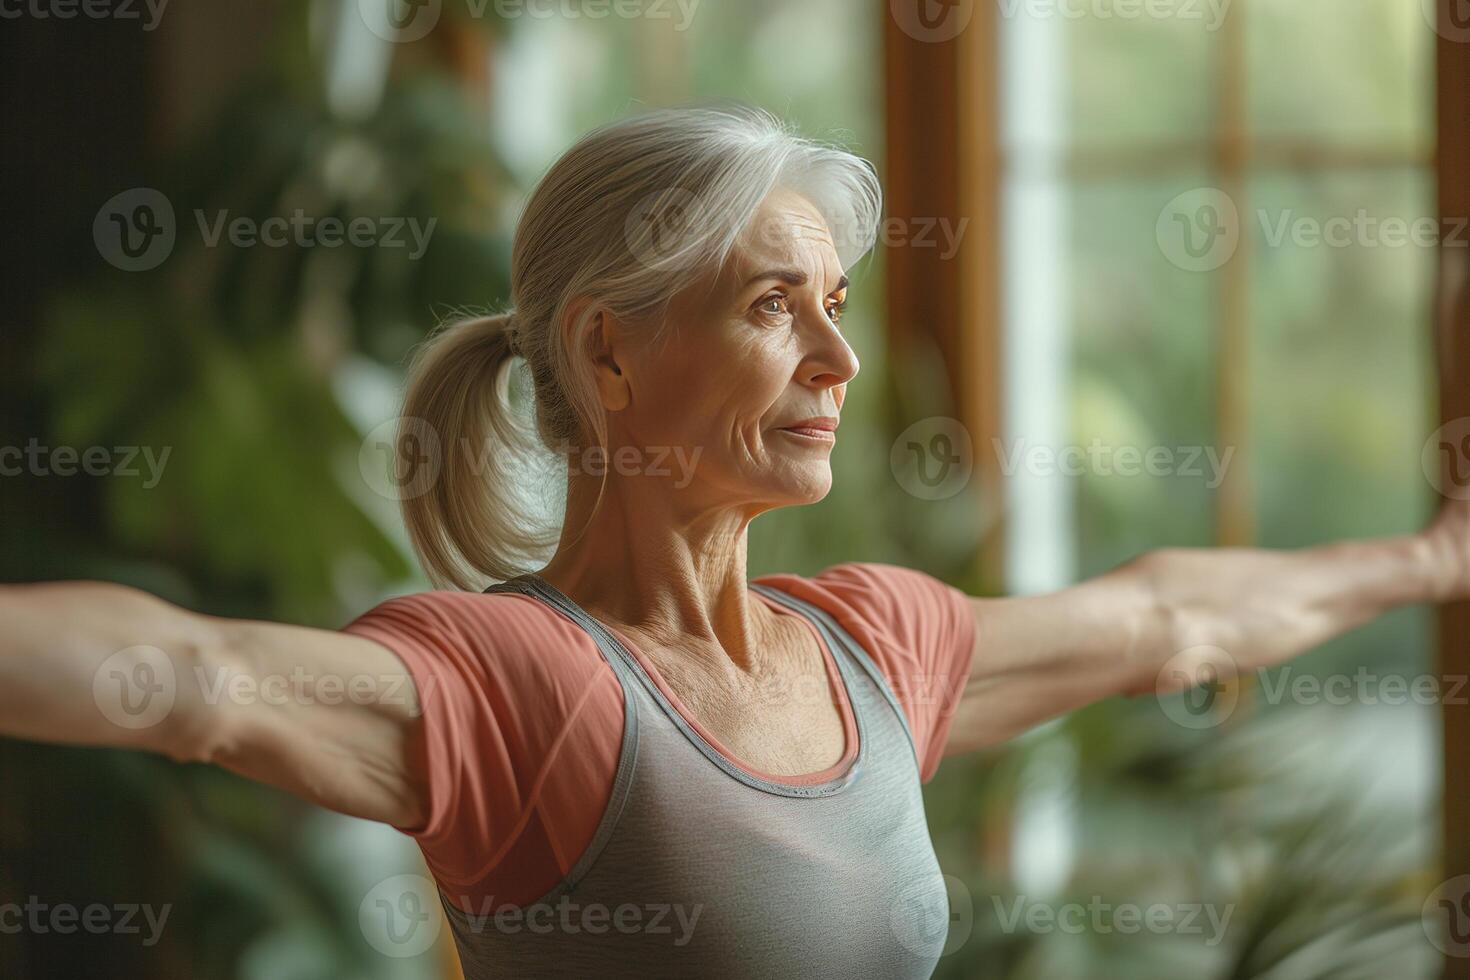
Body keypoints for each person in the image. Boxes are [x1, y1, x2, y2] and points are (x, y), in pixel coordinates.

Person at [2, 104, 1465, 979]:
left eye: (833, 304)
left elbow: (1163, 622)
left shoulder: (871, 648)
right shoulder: (527, 688)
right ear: (610, 358)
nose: (837, 356)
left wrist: (1429, 562)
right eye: (774, 307)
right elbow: (184, 675)